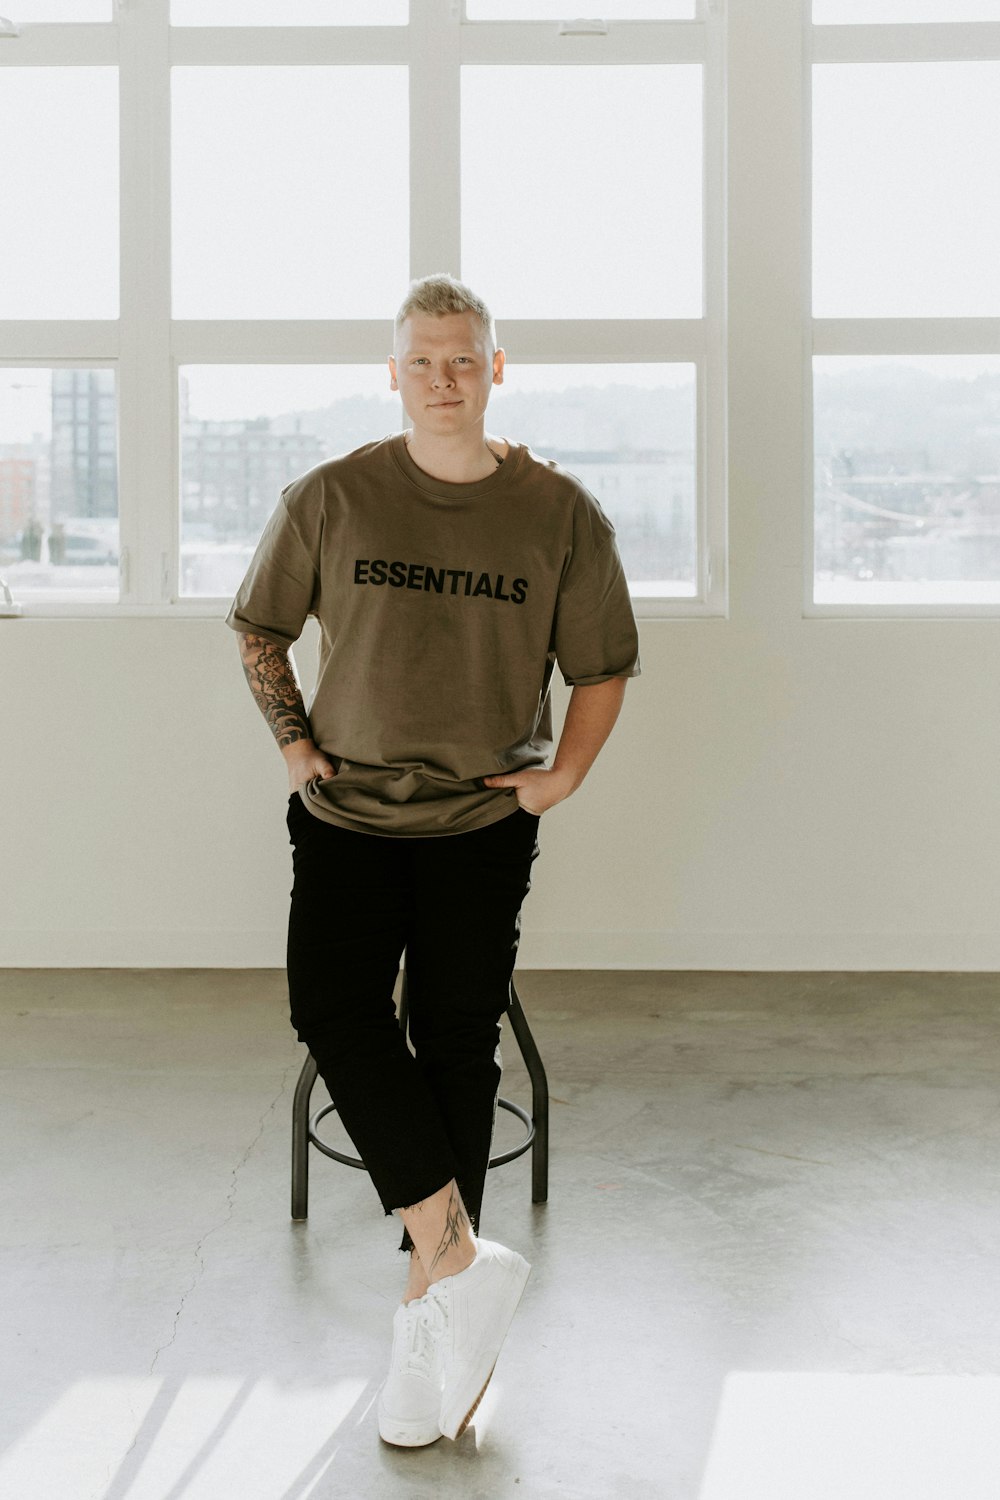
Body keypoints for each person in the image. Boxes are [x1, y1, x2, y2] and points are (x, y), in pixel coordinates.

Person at [226, 273, 640, 1447]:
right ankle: (456, 1259)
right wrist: (295, 741)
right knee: (333, 1005)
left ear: (494, 368)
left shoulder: (559, 513)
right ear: (394, 373)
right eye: (423, 360)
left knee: (454, 1036)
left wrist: (561, 774)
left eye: (464, 358)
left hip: (479, 825)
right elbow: (261, 626)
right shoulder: (334, 496)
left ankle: (434, 1316)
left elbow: (603, 665)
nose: (443, 378)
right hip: (347, 814)